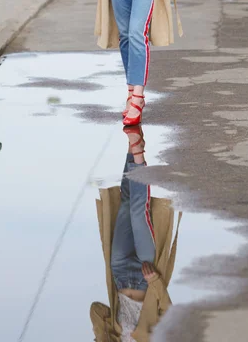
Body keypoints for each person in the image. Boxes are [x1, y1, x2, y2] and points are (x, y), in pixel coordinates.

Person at [91, 125, 183, 342]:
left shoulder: (112, 337)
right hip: (146, 275)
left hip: (120, 272)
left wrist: (102, 334)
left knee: (125, 202)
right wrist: (156, 281)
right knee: (138, 212)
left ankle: (133, 146)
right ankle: (138, 155)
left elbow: (95, 309)